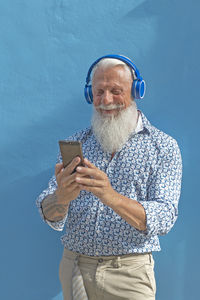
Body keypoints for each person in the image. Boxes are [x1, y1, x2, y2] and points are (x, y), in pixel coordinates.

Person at [36, 54, 182, 300]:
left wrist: (109, 195)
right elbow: (49, 213)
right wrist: (61, 198)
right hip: (75, 268)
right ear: (89, 94)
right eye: (99, 91)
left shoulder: (163, 147)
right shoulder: (78, 142)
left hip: (129, 274)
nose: (106, 100)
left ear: (136, 91)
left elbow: (165, 218)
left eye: (116, 91)